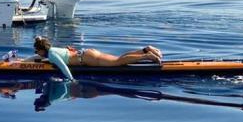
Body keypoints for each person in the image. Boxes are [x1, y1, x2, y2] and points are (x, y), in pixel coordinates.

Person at [24, 36, 163, 81]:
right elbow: (38, 57)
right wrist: (23, 61)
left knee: (118, 62)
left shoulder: (52, 55)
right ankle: (146, 49)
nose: (36, 52)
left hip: (88, 59)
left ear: (42, 50)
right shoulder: (53, 50)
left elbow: (63, 67)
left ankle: (147, 56)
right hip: (87, 53)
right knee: (118, 59)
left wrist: (71, 80)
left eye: (37, 50)